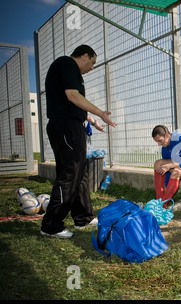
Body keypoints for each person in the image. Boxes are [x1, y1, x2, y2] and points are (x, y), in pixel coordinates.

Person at [40, 45, 117, 239]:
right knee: (70, 173)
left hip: (73, 126)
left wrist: (92, 120)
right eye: (92, 62)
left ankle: (83, 217)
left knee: (80, 173)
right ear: (84, 55)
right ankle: (51, 224)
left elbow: (75, 104)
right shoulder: (66, 64)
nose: (92, 68)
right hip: (65, 127)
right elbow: (72, 96)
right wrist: (100, 112)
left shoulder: (71, 71)